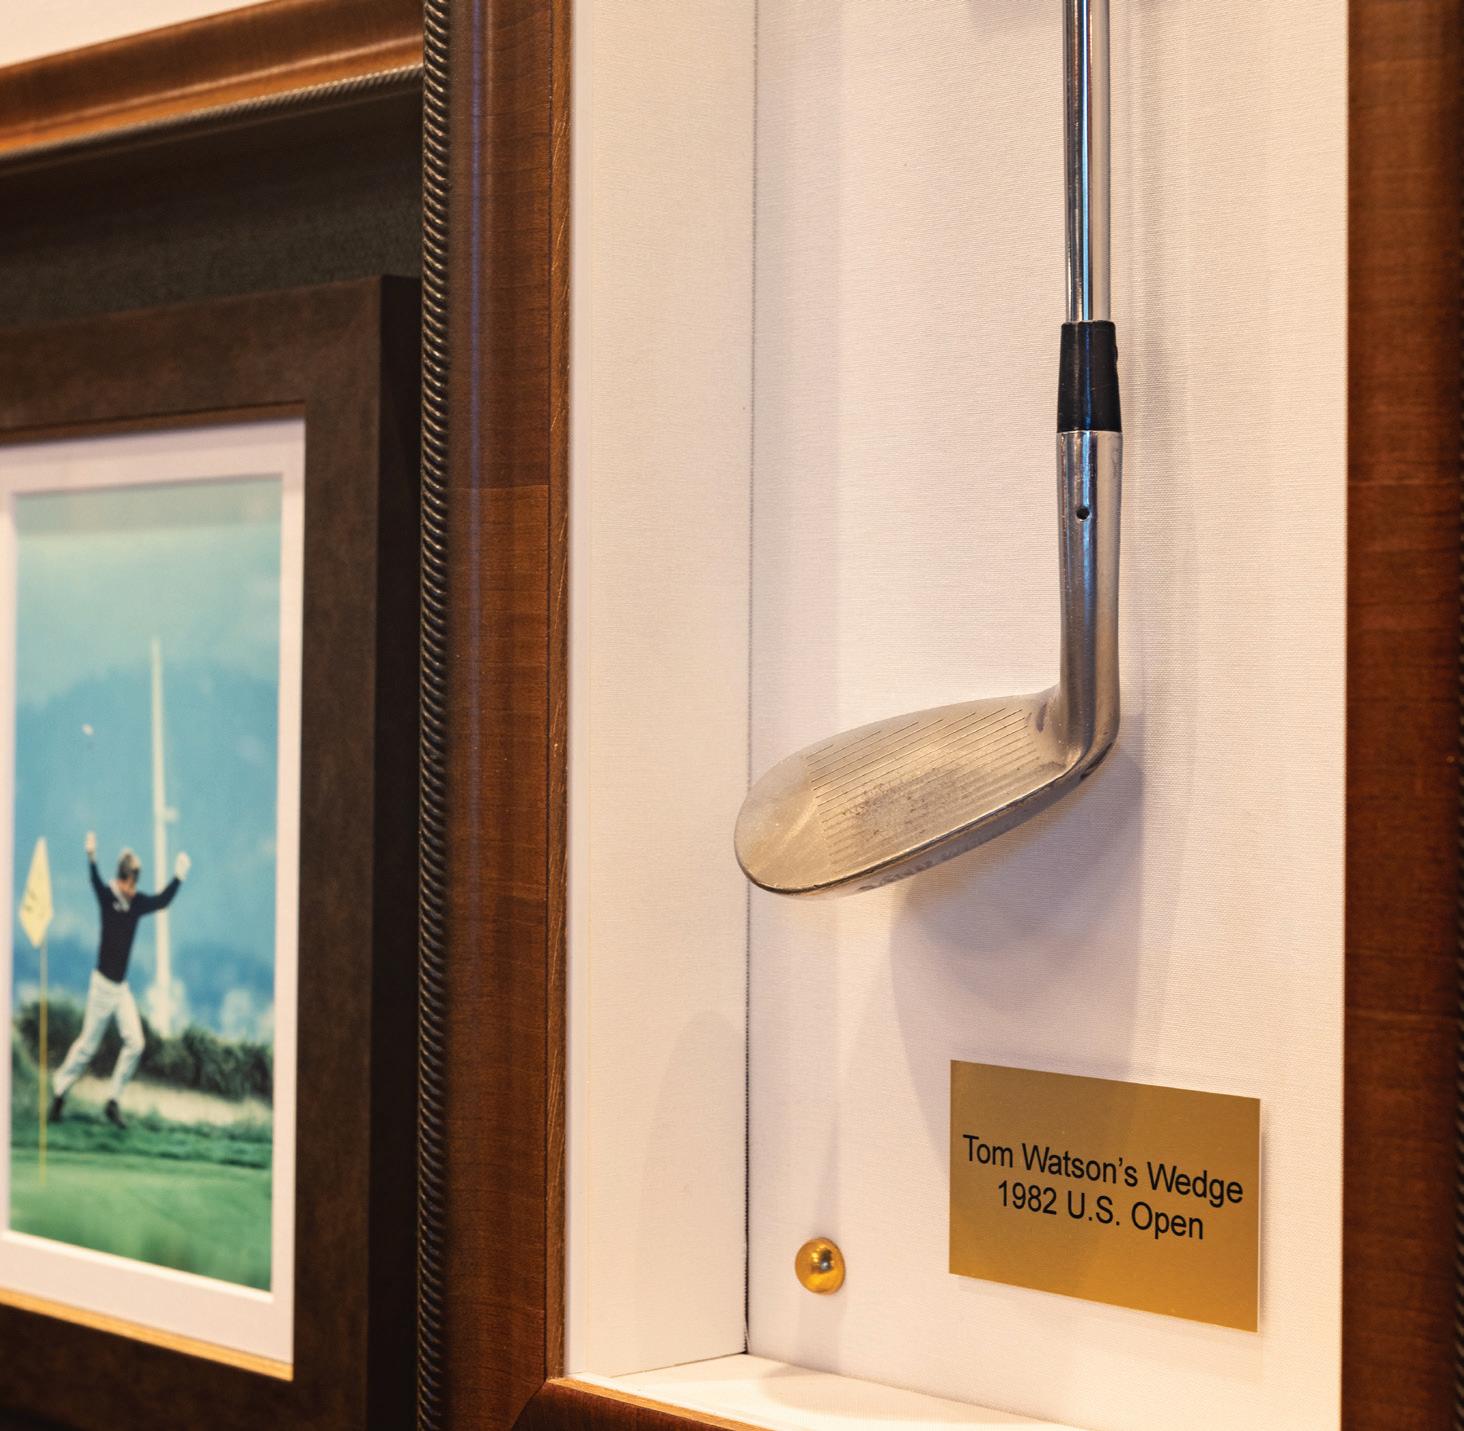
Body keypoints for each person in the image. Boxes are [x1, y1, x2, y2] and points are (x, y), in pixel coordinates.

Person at [49, 832, 192, 1130]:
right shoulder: (107, 897)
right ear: (120, 879)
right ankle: (59, 1093)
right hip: (101, 987)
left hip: (121, 989)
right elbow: (94, 880)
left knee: (136, 1043)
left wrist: (179, 876)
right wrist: (91, 856)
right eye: (128, 883)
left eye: (135, 884)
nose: (132, 889)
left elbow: (162, 901)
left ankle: (112, 1101)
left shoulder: (136, 902)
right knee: (87, 1048)